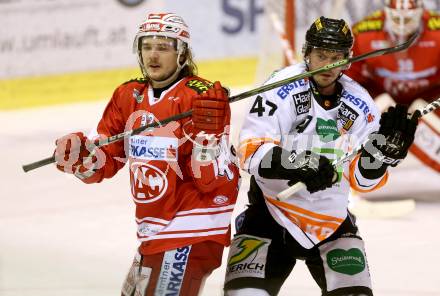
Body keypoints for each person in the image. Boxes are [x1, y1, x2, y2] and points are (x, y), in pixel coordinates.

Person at [223, 16, 420, 296]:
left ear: (348, 60)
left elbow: (362, 181)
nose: (329, 64)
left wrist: (381, 158)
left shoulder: (362, 104)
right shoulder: (280, 88)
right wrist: (299, 163)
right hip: (271, 213)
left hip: (331, 221)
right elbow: (250, 152)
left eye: (337, 57)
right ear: (307, 54)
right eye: (321, 55)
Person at [53, 12, 240, 296]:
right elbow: (105, 160)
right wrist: (78, 157)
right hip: (154, 230)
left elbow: (211, 179)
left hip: (193, 229)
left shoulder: (202, 98)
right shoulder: (128, 95)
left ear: (182, 53)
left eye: (163, 47)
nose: (153, 55)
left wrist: (208, 138)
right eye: (147, 46)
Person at [346, 0, 440, 173]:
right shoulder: (363, 32)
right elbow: (348, 82)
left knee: (421, 109)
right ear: (387, 13)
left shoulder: (438, 30)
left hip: (429, 98)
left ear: (421, 12)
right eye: (397, 19)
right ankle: (349, 176)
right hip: (384, 98)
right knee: (357, 108)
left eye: (408, 19)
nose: (403, 25)